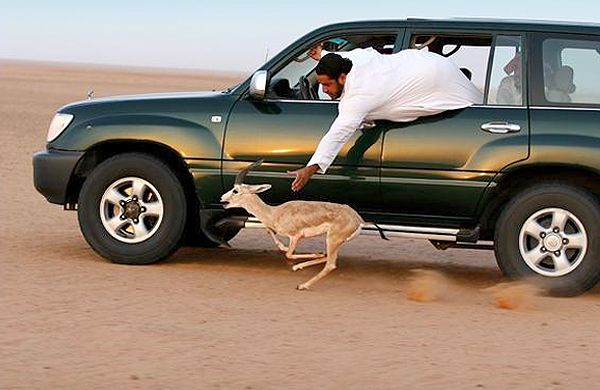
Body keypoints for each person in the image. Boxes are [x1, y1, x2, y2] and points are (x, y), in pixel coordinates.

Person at [287, 46, 482, 192]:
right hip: (428, 61)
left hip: (436, 81)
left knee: (468, 102)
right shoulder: (351, 60)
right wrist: (321, 54)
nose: (324, 91)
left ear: (343, 78)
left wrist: (310, 169)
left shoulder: (359, 96)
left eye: (327, 85)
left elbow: (337, 135)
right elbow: (338, 58)